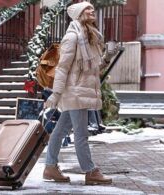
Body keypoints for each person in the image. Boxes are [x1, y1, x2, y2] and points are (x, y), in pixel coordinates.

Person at [42, 1, 117, 185]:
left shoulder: (91, 38)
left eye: (92, 8)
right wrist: (56, 93)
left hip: (81, 91)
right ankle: (90, 171)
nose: (92, 11)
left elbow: (94, 69)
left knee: (60, 131)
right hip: (74, 92)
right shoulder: (73, 37)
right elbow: (62, 68)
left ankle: (50, 167)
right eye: (87, 9)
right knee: (81, 134)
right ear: (79, 14)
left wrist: (107, 56)